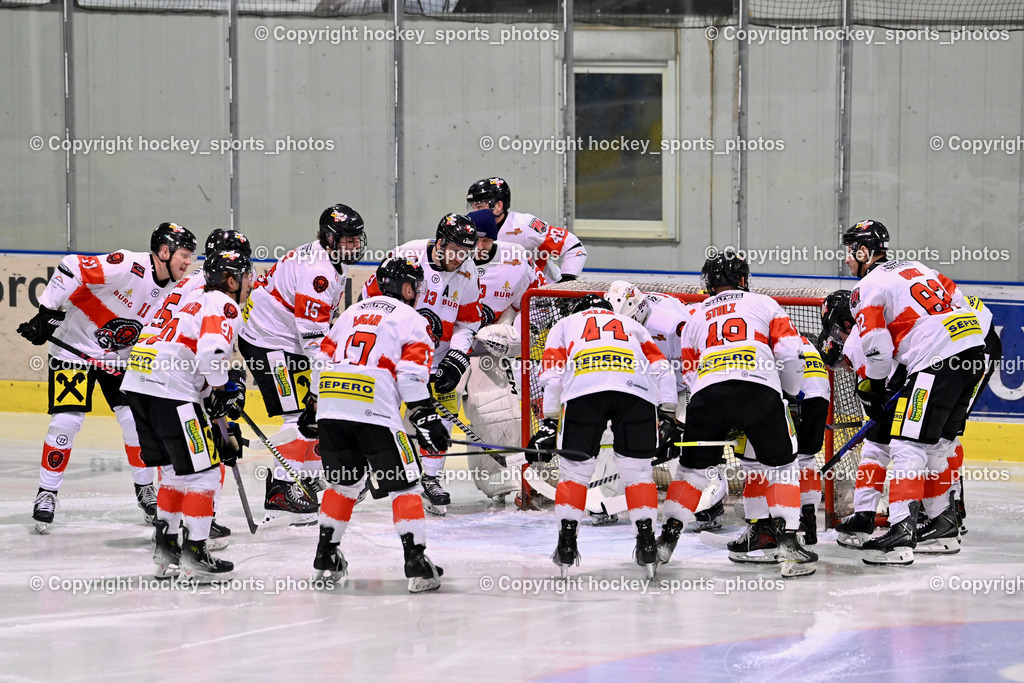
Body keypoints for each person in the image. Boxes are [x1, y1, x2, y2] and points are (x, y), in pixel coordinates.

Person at [18, 223, 196, 533]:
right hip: (73, 350)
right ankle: (47, 492)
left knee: (135, 422)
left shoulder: (178, 289)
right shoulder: (128, 265)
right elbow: (72, 265)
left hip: (120, 358)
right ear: (164, 252)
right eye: (183, 255)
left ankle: (145, 490)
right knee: (67, 420)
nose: (188, 262)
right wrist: (46, 311)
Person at [657, 251, 817, 578]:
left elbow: (688, 369)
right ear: (744, 279)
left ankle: (663, 542)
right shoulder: (764, 304)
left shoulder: (697, 313)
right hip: (759, 391)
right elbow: (789, 351)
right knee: (782, 468)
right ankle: (788, 546)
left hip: (707, 393)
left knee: (692, 473)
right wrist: (790, 395)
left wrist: (713, 406)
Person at [842, 219, 985, 565]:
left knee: (907, 445)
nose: (846, 259)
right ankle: (944, 527)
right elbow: (962, 302)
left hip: (936, 360)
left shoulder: (867, 287)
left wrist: (874, 391)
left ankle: (900, 534)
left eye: (849, 251)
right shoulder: (921, 267)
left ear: (864, 252)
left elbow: (875, 346)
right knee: (939, 445)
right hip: (972, 351)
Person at [300, 256, 446, 593]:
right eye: (415, 285)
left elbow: (321, 358)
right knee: (405, 487)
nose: (417, 292)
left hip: (332, 405)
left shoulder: (353, 311)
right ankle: (416, 562)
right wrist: (425, 415)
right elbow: (410, 374)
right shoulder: (411, 318)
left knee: (344, 486)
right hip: (373, 405)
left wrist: (313, 403)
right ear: (406, 287)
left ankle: (326, 555)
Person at [122, 249, 252, 581]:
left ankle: (165, 553)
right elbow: (211, 355)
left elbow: (191, 353)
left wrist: (212, 398)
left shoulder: (191, 297)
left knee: (174, 473)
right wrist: (225, 391)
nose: (250, 282)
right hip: (170, 388)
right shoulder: (224, 304)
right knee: (204, 476)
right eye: (246, 275)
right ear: (231, 280)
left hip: (140, 380)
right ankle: (195, 552)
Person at [533, 293, 677, 578]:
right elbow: (663, 369)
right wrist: (668, 412)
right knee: (638, 474)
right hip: (636, 393)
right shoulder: (630, 324)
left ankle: (566, 543)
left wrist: (549, 420)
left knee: (573, 475)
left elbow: (552, 374)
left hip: (584, 392)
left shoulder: (565, 323)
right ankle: (647, 542)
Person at [239, 204, 366, 524]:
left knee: (312, 413)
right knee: (300, 414)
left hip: (280, 341)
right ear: (328, 238)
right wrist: (325, 377)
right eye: (346, 240)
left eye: (356, 239)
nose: (353, 246)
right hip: (269, 344)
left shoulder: (329, 259)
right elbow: (311, 337)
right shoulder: (318, 272)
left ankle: (303, 478)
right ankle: (281, 489)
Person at [361, 213, 482, 515]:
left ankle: (431, 478)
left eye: (466, 252)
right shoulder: (406, 255)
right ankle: (363, 471)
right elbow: (368, 302)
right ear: (439, 241)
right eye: (454, 250)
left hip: (436, 357)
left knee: (439, 421)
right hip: (394, 357)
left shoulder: (468, 271)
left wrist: (457, 357)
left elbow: (468, 322)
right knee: (378, 415)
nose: (459, 258)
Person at [143, 228, 252, 542]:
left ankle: (169, 538)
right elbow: (208, 349)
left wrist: (215, 396)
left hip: (149, 372)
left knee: (178, 467)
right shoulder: (212, 292)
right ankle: (195, 535)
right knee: (200, 464)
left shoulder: (193, 281)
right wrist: (220, 393)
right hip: (173, 378)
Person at [462, 208, 542, 502]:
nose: (479, 248)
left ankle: (496, 480)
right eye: (475, 241)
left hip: (487, 352)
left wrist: (512, 337)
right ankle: (423, 478)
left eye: (486, 241)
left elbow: (531, 304)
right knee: (432, 416)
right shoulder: (453, 254)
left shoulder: (516, 259)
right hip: (447, 350)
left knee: (494, 413)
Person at [466, 177, 587, 283]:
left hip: (544, 296)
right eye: (473, 207)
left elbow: (573, 246)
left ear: (499, 206)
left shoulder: (525, 225)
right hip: (506, 296)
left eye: (480, 207)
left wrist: (566, 280)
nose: (474, 212)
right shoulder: (469, 228)